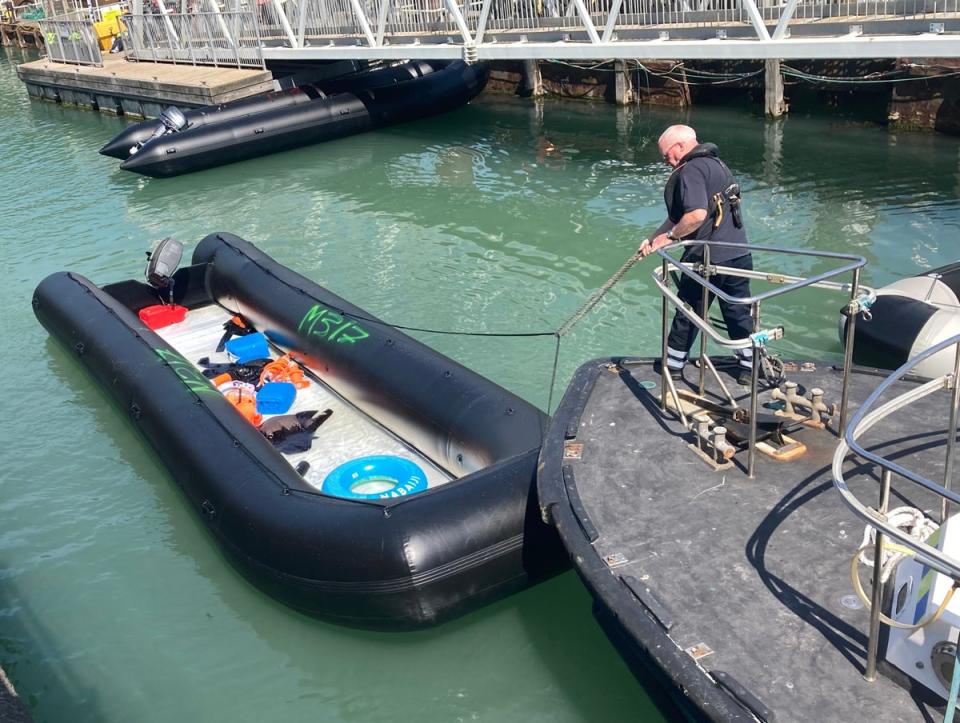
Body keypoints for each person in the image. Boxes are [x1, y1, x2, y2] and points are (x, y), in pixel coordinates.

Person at [639, 124, 755, 385]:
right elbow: (678, 217)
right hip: (738, 254)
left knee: (688, 311)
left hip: (706, 259)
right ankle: (750, 366)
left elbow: (695, 216)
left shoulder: (690, 170)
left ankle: (674, 364)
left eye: (666, 155)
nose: (666, 161)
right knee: (737, 311)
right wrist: (654, 239)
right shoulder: (716, 165)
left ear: (680, 147)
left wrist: (670, 238)